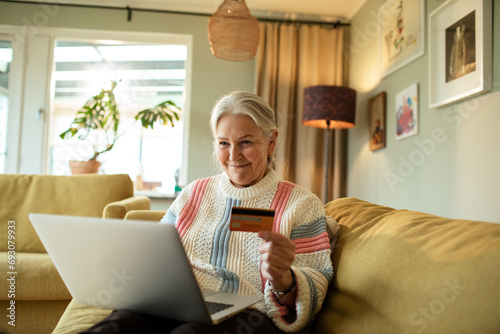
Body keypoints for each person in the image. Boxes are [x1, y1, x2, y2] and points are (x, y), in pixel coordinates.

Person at [82, 91, 333, 333]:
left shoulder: (301, 204)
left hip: (250, 315)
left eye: (246, 142)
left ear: (271, 142)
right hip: (178, 302)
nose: (234, 155)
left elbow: (316, 281)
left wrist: (284, 280)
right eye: (224, 143)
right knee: (121, 323)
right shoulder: (193, 193)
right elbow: (155, 253)